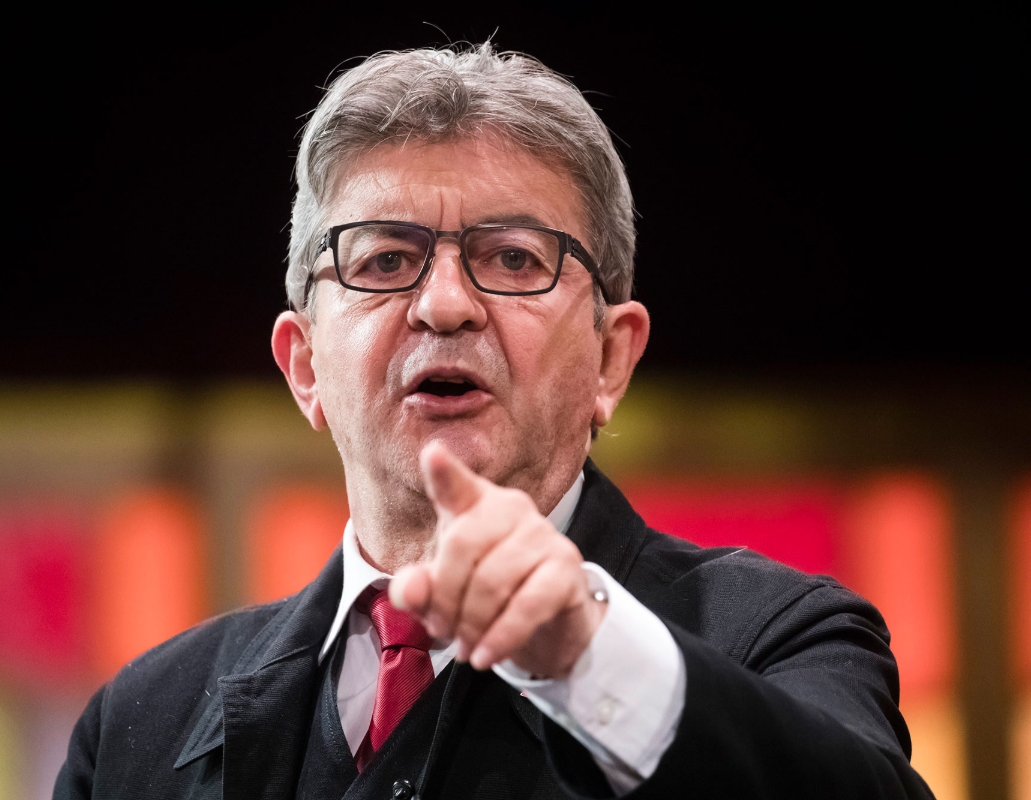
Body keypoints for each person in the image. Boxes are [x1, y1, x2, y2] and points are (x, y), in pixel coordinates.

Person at [55, 44, 933, 799]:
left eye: (514, 259)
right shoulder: (140, 720)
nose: (443, 305)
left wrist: (589, 654)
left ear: (610, 360)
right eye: (386, 259)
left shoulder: (783, 637)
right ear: (305, 366)